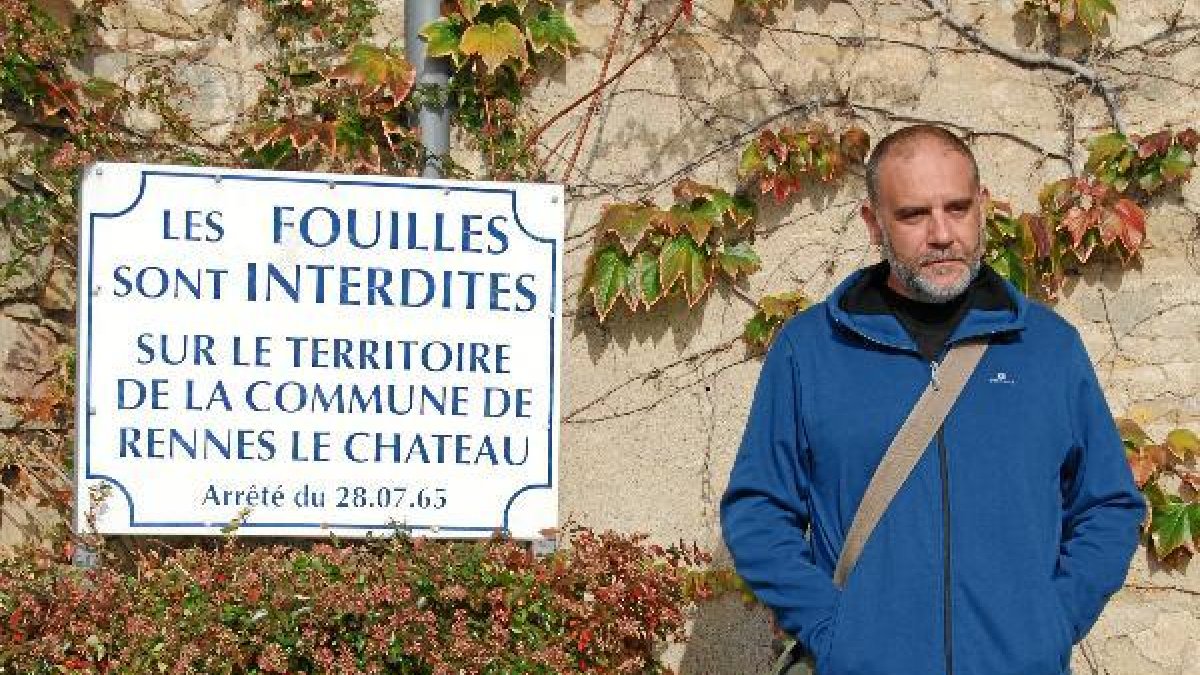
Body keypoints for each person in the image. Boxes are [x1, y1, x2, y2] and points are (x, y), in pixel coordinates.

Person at [720, 125, 1146, 675]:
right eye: (914, 215)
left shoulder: (1047, 350)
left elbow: (1108, 505)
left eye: (957, 208)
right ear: (873, 223)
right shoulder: (811, 351)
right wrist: (834, 631)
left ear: (983, 207)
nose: (942, 233)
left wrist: (1050, 624)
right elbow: (758, 510)